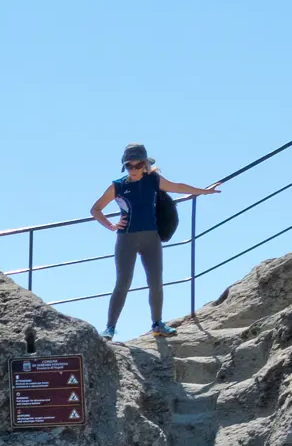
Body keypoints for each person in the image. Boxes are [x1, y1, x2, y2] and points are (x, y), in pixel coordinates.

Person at [90, 143, 219, 338]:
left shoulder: (153, 180)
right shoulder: (118, 186)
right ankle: (109, 328)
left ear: (145, 165)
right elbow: (95, 209)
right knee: (123, 282)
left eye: (138, 165)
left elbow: (177, 187)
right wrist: (110, 225)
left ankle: (157, 324)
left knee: (156, 281)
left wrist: (204, 191)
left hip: (151, 237)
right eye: (129, 166)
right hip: (126, 239)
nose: (133, 170)